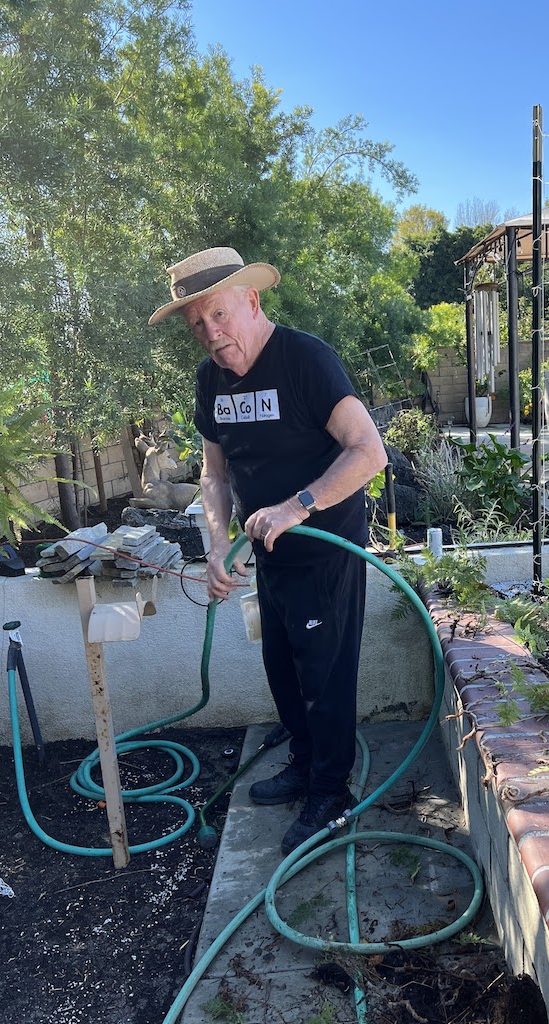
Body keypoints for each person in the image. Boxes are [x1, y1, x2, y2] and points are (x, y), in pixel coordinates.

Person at [149, 247, 387, 853]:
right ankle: (306, 766)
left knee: (324, 678)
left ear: (251, 302)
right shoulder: (210, 381)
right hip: (267, 554)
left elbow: (367, 451)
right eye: (197, 323)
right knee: (283, 670)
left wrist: (297, 505)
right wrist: (217, 542)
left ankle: (332, 794)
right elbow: (213, 474)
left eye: (220, 315)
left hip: (325, 547)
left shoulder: (305, 360)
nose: (211, 333)